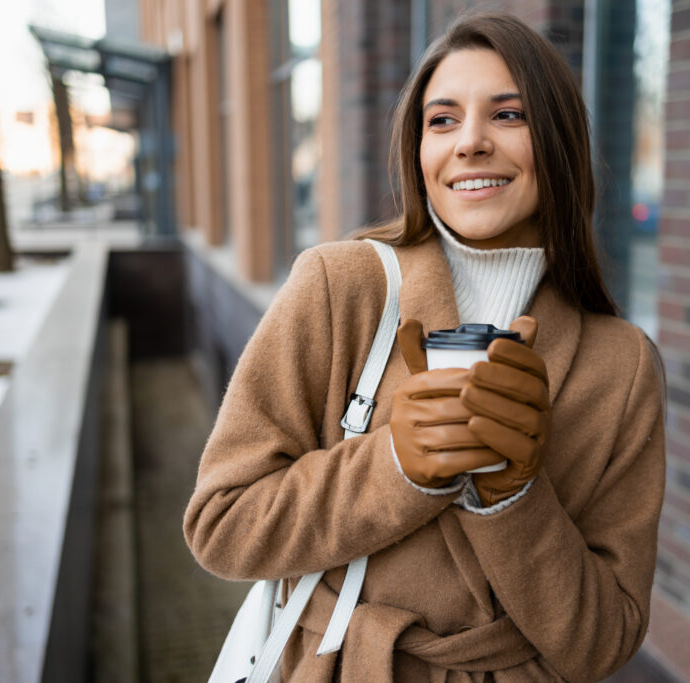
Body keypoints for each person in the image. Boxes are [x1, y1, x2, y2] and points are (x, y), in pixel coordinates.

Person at [184, 11, 665, 682]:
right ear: (418, 150)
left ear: (557, 141)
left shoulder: (623, 363)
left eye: (508, 115)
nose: (469, 142)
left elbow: (603, 640)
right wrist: (394, 465)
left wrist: (514, 497)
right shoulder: (341, 284)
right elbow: (221, 523)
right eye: (442, 120)